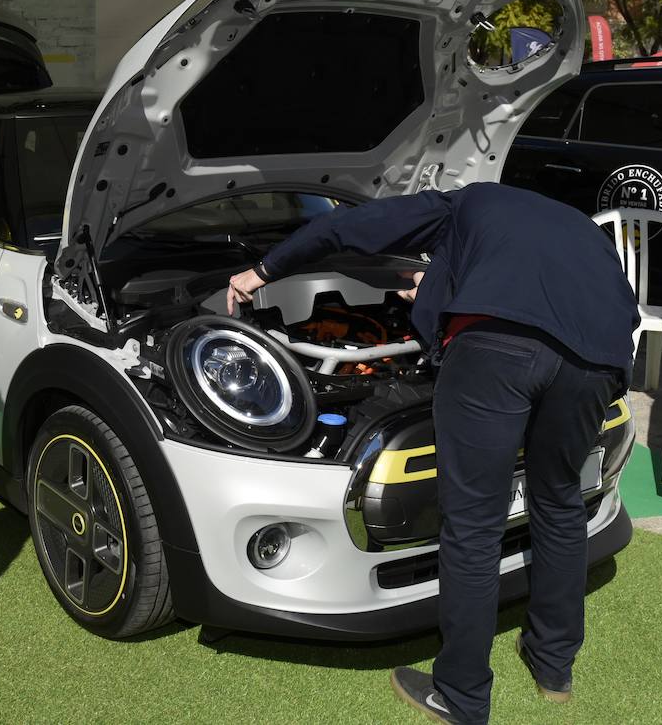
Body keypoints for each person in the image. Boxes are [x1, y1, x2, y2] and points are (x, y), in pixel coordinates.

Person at [227, 182, 638, 725]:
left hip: (497, 349)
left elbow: (347, 226)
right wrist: (435, 288)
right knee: (559, 502)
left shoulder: (461, 202)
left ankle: (462, 697)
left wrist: (261, 272)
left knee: (473, 524)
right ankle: (553, 666)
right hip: (598, 358)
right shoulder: (569, 222)